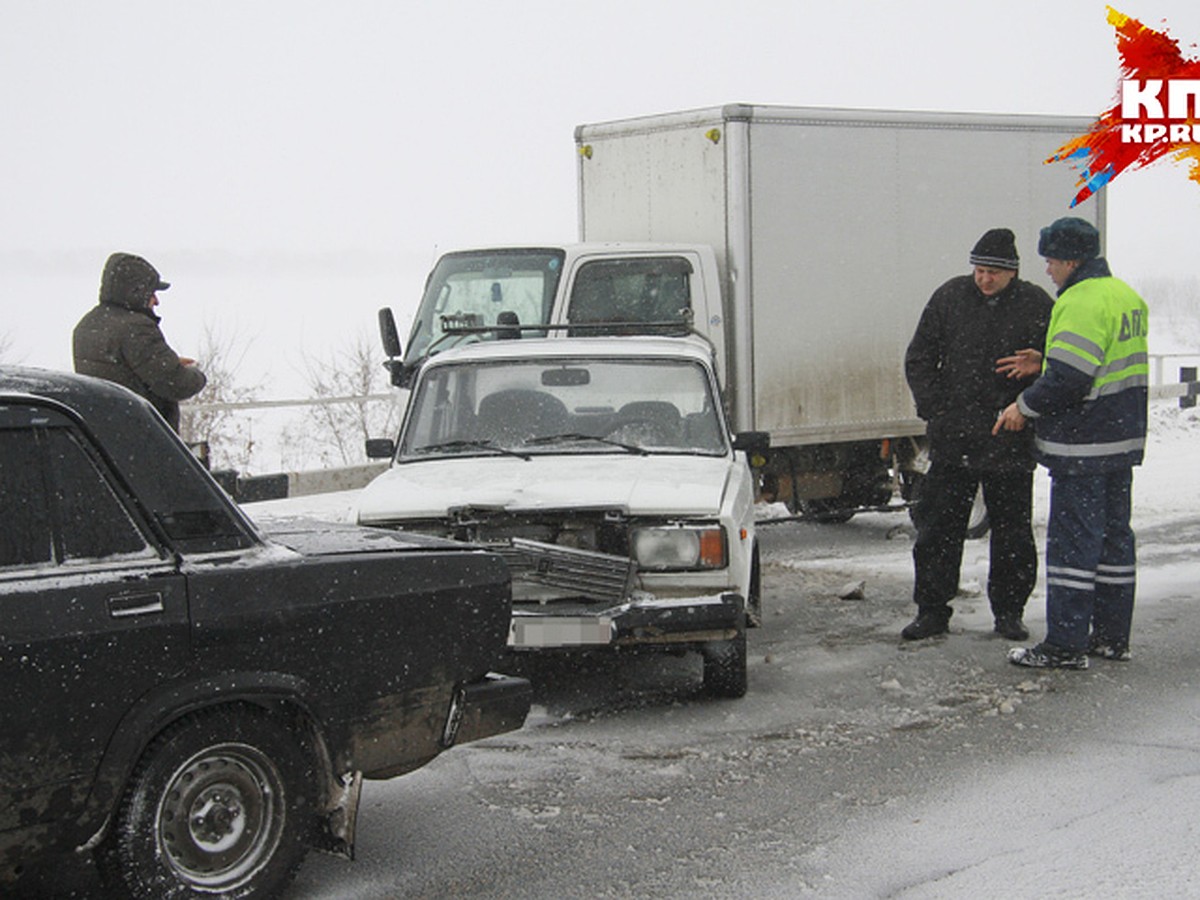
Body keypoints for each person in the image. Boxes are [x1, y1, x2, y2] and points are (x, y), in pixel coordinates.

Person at [994, 217, 1149, 669]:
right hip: (1120, 439)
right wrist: (1045, 360)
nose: (1047, 271)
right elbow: (1102, 363)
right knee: (1114, 541)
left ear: (1069, 259)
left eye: (1050, 261)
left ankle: (1065, 644)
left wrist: (1023, 406)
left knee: (1073, 545)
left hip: (1084, 443)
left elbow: (1071, 380)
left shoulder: (1080, 301)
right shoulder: (1124, 294)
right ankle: (1111, 637)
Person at [901, 228, 1054, 641]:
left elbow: (1061, 364)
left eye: (993, 272)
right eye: (979, 270)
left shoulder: (1037, 304)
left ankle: (1008, 613)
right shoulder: (949, 297)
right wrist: (935, 409)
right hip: (955, 440)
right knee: (938, 530)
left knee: (1013, 534)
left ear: (1013, 273)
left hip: (1010, 439)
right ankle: (932, 611)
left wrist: (1038, 371)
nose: (984, 279)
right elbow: (918, 358)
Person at [73, 252, 206, 432]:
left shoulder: (88, 324)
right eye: (152, 293)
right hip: (142, 435)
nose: (156, 301)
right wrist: (196, 374)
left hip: (105, 432)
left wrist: (170, 362)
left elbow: (125, 369)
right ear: (136, 292)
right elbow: (175, 383)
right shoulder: (136, 328)